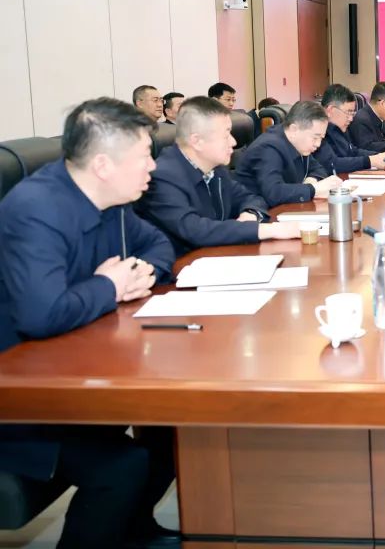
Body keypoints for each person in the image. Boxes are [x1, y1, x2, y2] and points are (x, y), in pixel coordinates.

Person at [0, 97, 178, 548]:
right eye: (144, 156)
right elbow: (40, 315)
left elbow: (159, 244)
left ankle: (135, 532)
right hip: (21, 396)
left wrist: (139, 273)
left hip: (73, 364)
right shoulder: (35, 209)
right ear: (102, 164)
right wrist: (109, 287)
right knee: (121, 468)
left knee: (172, 430)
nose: (153, 167)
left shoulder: (112, 199)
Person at [137, 96, 302, 255]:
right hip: (180, 267)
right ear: (197, 141)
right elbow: (194, 230)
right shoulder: (162, 178)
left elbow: (251, 197)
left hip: (216, 256)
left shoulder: (215, 168)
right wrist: (263, 230)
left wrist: (250, 214)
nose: (233, 142)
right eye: (226, 135)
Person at [235, 101, 342, 207]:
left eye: (321, 138)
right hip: (257, 212)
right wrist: (314, 189)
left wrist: (311, 180)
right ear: (294, 129)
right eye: (315, 137)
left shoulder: (298, 143)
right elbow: (274, 193)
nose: (318, 144)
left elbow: (318, 169)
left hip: (285, 208)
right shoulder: (268, 148)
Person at [317, 84, 385, 174]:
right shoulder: (317, 131)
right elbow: (333, 164)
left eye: (352, 113)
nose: (351, 119)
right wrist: (370, 161)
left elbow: (352, 151)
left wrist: (379, 156)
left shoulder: (339, 128)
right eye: (348, 112)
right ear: (330, 110)